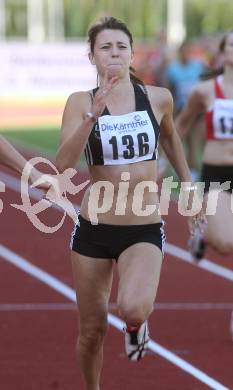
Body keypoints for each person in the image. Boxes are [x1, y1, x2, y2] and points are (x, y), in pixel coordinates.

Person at [56, 17, 203, 390]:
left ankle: (136, 327)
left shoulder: (157, 98)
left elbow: (171, 138)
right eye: (105, 47)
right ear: (92, 56)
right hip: (94, 226)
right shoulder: (79, 102)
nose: (114, 53)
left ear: (132, 53)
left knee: (133, 308)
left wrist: (188, 185)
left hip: (142, 224)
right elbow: (61, 165)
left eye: (121, 46)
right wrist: (92, 116)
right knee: (92, 331)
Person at [176, 31, 233, 262]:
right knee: (226, 243)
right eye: (231, 44)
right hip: (218, 174)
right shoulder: (205, 90)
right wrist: (161, 160)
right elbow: (180, 125)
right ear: (222, 52)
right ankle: (203, 231)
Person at [165, 41, 206, 179]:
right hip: (181, 109)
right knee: (179, 140)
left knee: (194, 141)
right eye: (184, 51)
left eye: (189, 51)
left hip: (198, 111)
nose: (187, 54)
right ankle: (180, 169)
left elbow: (206, 82)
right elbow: (169, 88)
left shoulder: (198, 66)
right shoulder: (173, 69)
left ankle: (193, 171)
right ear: (180, 52)